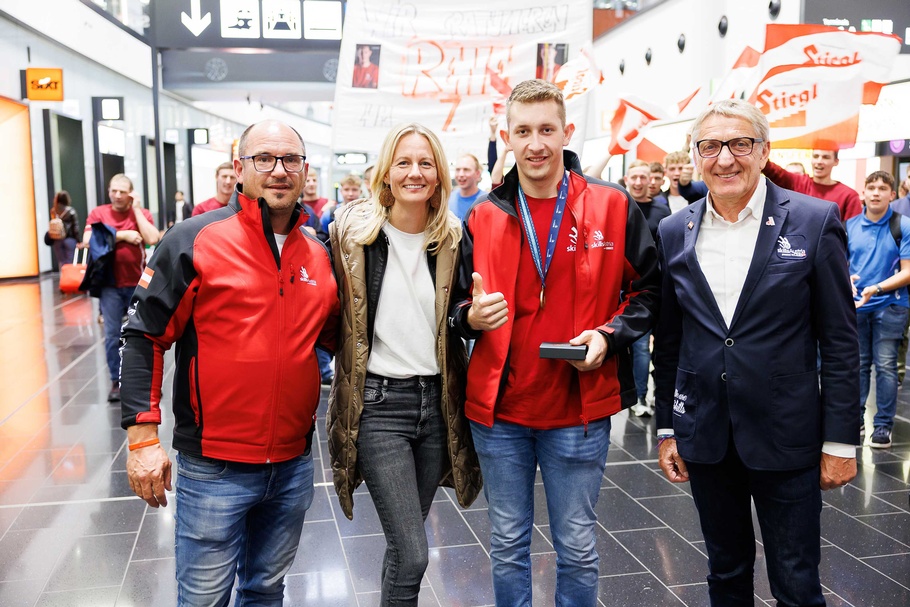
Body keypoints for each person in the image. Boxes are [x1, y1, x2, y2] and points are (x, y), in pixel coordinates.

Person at [449, 79, 659, 605]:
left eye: (547, 129)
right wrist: (469, 317)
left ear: (566, 133)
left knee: (579, 546)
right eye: (523, 131)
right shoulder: (484, 215)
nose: (536, 143)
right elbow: (452, 308)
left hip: (579, 412)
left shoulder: (612, 206)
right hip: (501, 414)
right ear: (507, 139)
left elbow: (651, 291)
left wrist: (610, 337)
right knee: (507, 542)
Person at [119, 120, 340, 605]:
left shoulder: (320, 255)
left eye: (291, 160)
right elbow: (143, 336)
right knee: (203, 598)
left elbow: (332, 338)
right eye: (264, 159)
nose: (279, 171)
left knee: (265, 590)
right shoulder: (194, 239)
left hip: (293, 463)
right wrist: (142, 439)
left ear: (305, 171)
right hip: (213, 467)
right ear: (240, 168)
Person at [653, 99, 859, 606]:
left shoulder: (814, 220)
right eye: (710, 146)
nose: (725, 158)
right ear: (695, 155)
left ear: (764, 151)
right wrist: (666, 427)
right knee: (724, 573)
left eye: (739, 144)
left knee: (795, 578)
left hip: (787, 434)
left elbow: (839, 341)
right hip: (707, 435)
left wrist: (840, 442)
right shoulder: (673, 231)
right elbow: (672, 339)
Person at [327, 122, 481, 606]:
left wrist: (471, 318)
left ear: (439, 175)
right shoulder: (351, 235)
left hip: (437, 406)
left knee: (403, 544)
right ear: (386, 173)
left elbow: (460, 314)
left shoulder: (454, 238)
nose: (415, 172)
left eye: (425, 162)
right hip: (378, 406)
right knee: (413, 551)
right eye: (404, 162)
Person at [83, 174, 159, 402]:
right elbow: (88, 238)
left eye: (122, 191)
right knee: (113, 335)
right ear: (108, 191)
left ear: (131, 194)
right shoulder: (99, 213)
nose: (117, 195)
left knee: (145, 335)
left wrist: (136, 210)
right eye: (113, 190)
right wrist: (123, 235)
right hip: (110, 285)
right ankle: (117, 382)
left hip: (138, 283)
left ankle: (146, 381)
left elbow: (153, 237)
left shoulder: (141, 213)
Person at [849, 171, 910, 448]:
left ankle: (883, 425)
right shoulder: (849, 226)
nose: (875, 192)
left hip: (891, 304)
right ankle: (856, 420)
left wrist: (878, 287)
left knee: (885, 366)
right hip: (857, 306)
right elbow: (840, 265)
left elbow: (908, 272)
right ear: (863, 192)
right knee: (859, 365)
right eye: (871, 187)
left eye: (882, 188)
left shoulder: (903, 225)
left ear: (892, 194)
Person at [624, 160, 669, 418]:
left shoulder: (661, 210)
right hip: (632, 291)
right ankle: (639, 397)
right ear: (627, 179)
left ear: (651, 179)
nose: (639, 182)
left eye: (644, 177)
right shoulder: (619, 206)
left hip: (661, 287)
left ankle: (655, 395)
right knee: (640, 347)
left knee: (660, 346)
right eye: (635, 177)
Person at [762, 149, 862, 221]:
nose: (819, 161)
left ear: (836, 161)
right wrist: (760, 150)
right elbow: (772, 170)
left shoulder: (849, 196)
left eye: (825, 157)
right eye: (815, 156)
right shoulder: (799, 183)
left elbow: (853, 233)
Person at [448, 154, 486, 220]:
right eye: (458, 170)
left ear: (477, 174)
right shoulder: (448, 199)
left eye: (466, 170)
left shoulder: (486, 201)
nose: (461, 174)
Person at [48, 190, 81, 267]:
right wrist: (78, 240)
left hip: (57, 239)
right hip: (69, 239)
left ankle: (63, 277)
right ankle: (69, 278)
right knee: (71, 262)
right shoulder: (71, 211)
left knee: (61, 262)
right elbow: (75, 227)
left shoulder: (53, 211)